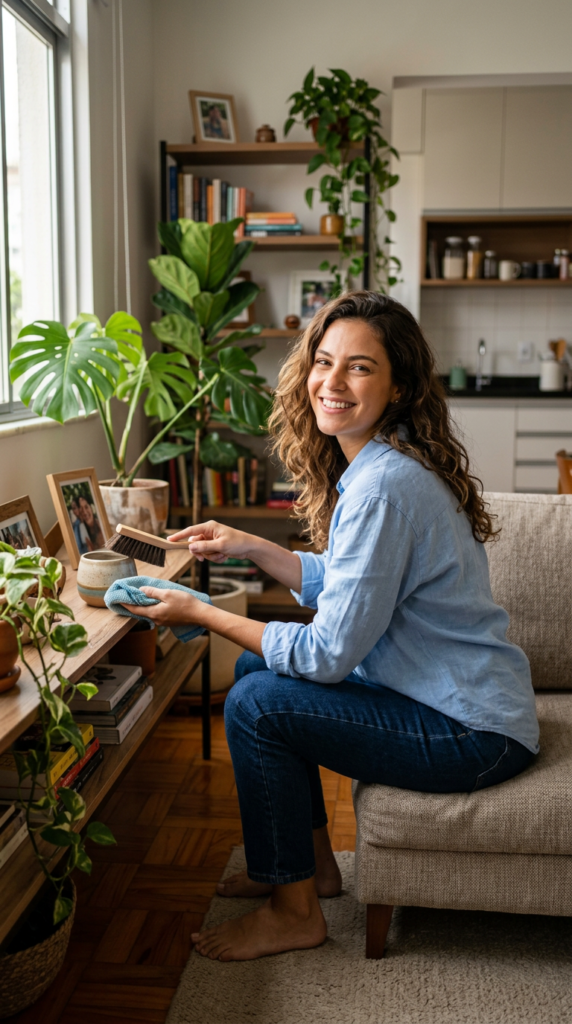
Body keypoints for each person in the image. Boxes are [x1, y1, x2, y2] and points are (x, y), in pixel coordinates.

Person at [120, 292, 539, 964]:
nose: (332, 383)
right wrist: (250, 546)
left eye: (360, 368)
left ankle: (295, 914)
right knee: (260, 673)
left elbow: (327, 655)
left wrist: (202, 612)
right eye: (323, 362)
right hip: (457, 706)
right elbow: (354, 586)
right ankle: (309, 869)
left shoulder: (382, 487)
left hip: (475, 734)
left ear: (397, 385)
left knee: (256, 701)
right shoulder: (381, 465)